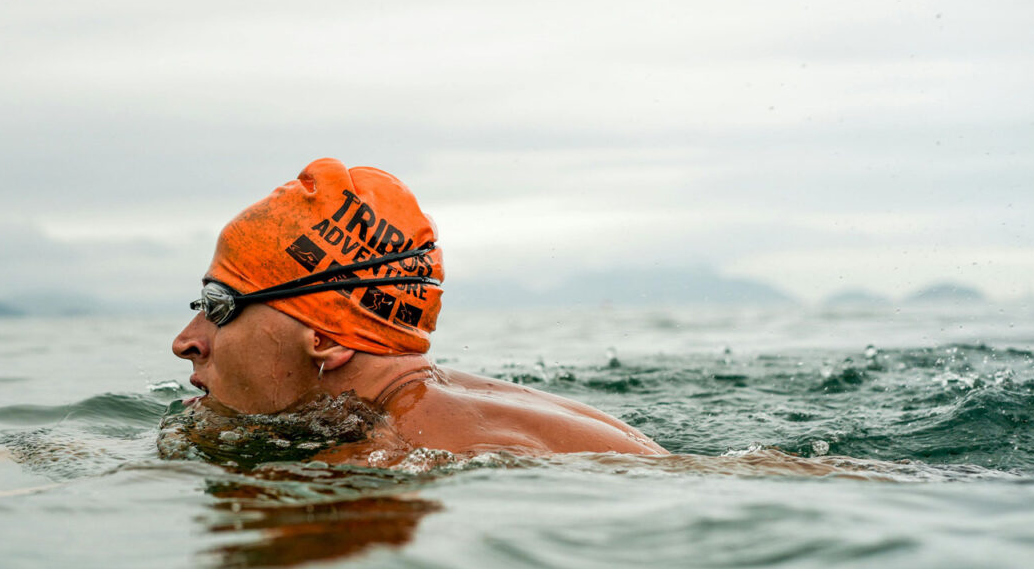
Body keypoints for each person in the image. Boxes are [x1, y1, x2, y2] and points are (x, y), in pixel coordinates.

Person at [171, 158, 668, 467]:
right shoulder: (442, 404)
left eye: (219, 306)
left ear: (327, 337)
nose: (186, 341)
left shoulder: (394, 456)